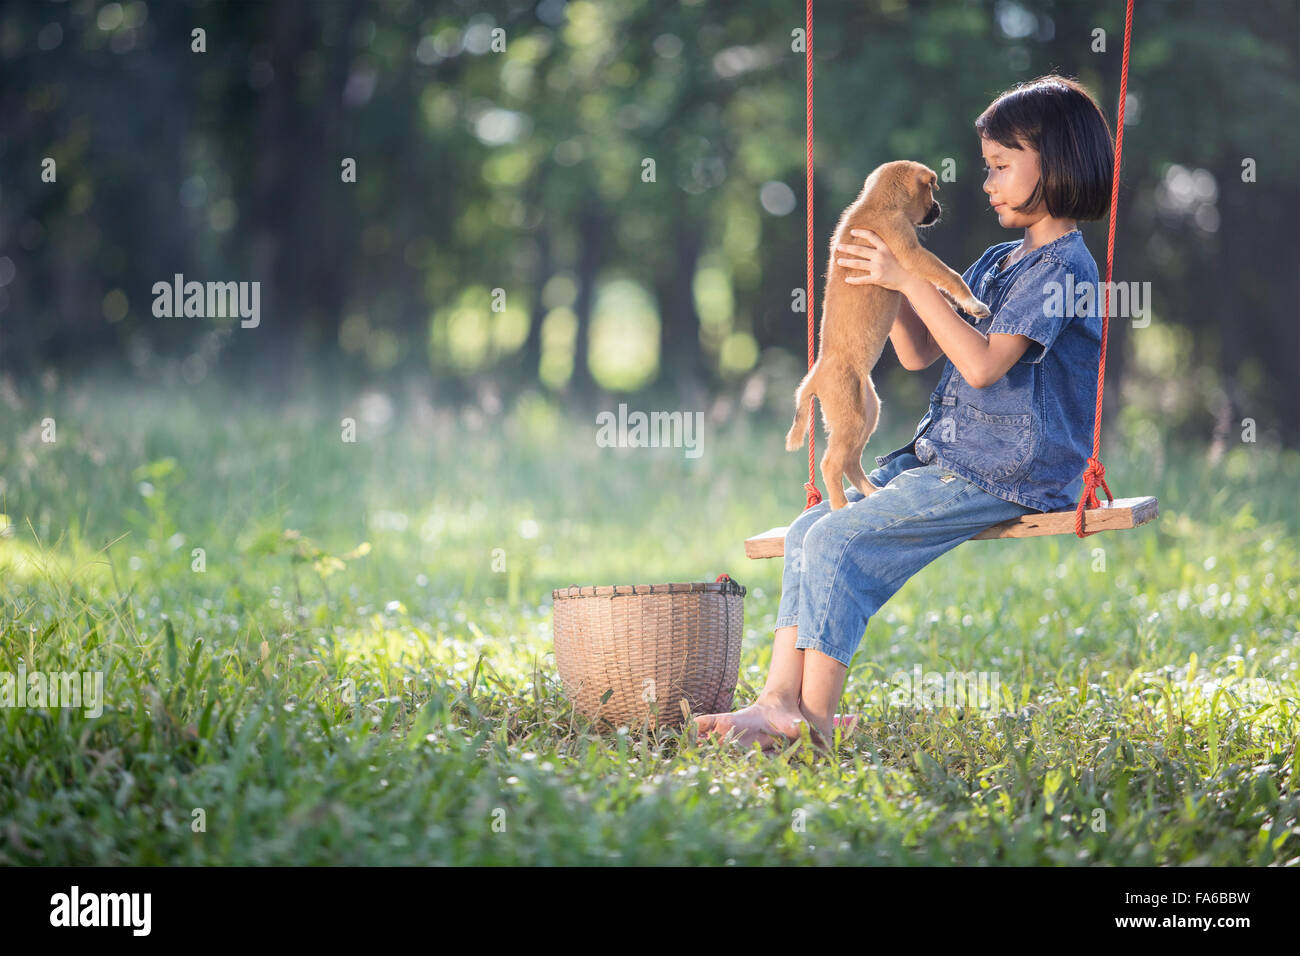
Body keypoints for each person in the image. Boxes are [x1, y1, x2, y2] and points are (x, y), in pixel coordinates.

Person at [696, 74, 1115, 751]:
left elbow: (980, 364)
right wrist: (880, 275)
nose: (987, 183)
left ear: (1057, 163)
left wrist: (909, 277)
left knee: (838, 542)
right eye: (987, 169)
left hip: (1006, 470)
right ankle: (777, 699)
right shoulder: (998, 261)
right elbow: (922, 351)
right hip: (949, 458)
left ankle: (813, 723)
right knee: (810, 529)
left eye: (1002, 167)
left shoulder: (1065, 270)